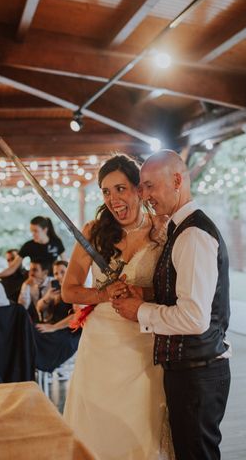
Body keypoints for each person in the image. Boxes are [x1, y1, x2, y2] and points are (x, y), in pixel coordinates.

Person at [113, 150, 232, 460]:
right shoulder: (180, 230)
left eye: (150, 185)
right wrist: (145, 296)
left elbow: (194, 319)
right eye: (142, 187)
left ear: (178, 180)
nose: (145, 195)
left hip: (199, 373)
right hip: (190, 371)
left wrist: (139, 312)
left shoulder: (193, 235)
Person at [61, 154, 172, 460]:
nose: (113, 199)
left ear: (139, 189)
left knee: (141, 430)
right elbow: (68, 291)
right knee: (98, 433)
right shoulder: (93, 232)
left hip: (144, 346)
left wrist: (142, 292)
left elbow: (173, 290)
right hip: (100, 349)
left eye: (120, 189)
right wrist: (103, 293)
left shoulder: (161, 232)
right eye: (106, 192)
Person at [0, 217, 65, 281]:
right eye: (32, 231)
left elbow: (65, 263)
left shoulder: (56, 242)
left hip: (52, 280)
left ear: (45, 230)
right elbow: (12, 268)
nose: (33, 234)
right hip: (34, 282)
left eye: (36, 231)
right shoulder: (28, 246)